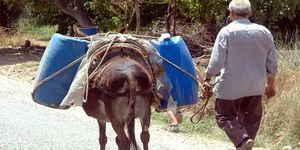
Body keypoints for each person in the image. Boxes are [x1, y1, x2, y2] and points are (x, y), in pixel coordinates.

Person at [203, 0, 278, 149]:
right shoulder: (264, 31)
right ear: (249, 13)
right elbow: (272, 62)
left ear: (231, 13)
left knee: (224, 115)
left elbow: (217, 61)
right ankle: (245, 143)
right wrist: (270, 84)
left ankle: (242, 141)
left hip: (231, 85)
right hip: (255, 84)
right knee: (251, 119)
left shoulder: (226, 32)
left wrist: (207, 78)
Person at [166, 65, 205, 133]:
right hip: (186, 85)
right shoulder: (183, 58)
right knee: (176, 103)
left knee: (168, 106)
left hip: (174, 82)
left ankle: (174, 124)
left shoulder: (169, 57)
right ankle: (178, 113)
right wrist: (203, 82)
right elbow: (196, 70)